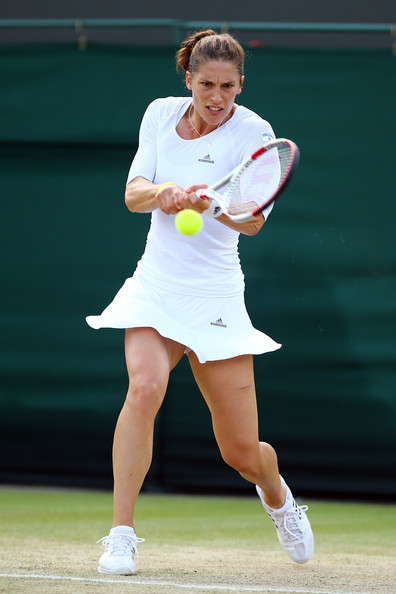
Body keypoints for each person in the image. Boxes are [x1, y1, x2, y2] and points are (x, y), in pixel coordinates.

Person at [87, 29, 314, 575]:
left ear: (240, 85)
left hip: (215, 297)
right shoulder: (160, 115)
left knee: (241, 453)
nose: (217, 97)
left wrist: (217, 209)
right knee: (144, 388)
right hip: (156, 287)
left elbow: (253, 219)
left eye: (228, 87)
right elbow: (133, 192)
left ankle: (279, 496)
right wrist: (163, 194)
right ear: (188, 79)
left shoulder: (254, 132)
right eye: (207, 84)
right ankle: (121, 533)